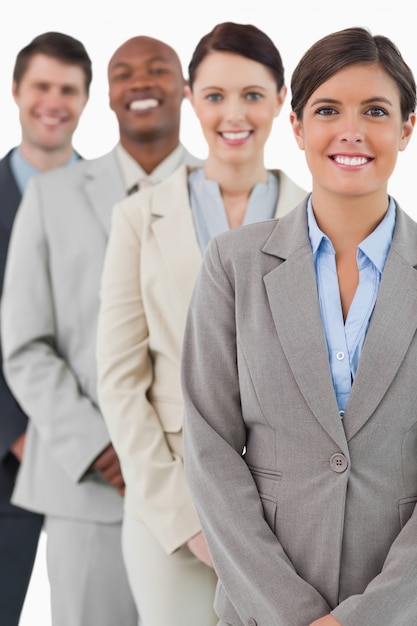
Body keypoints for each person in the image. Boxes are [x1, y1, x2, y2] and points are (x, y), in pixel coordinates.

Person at [181, 25, 417, 626]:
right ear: (297, 127)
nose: (352, 130)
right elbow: (209, 449)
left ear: (407, 128)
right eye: (328, 109)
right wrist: (290, 614)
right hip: (260, 610)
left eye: (376, 110)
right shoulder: (233, 264)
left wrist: (368, 616)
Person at [96, 21, 307, 626]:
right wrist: (183, 519)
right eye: (214, 96)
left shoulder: (317, 216)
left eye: (252, 94)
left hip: (289, 511)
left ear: (279, 99)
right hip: (173, 501)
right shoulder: (139, 216)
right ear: (191, 100)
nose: (233, 114)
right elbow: (118, 377)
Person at [0, 34, 201, 626]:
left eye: (158, 70)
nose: (141, 82)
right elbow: (24, 343)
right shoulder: (52, 197)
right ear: (108, 96)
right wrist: (97, 445)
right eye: (124, 73)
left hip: (198, 486)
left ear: (185, 88)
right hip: (87, 488)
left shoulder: (223, 191)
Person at [0, 31, 91, 626]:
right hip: (7, 458)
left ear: (86, 100)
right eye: (41, 86)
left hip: (104, 466)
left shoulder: (125, 201)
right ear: (15, 91)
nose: (53, 101)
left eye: (68, 89)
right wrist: (19, 435)